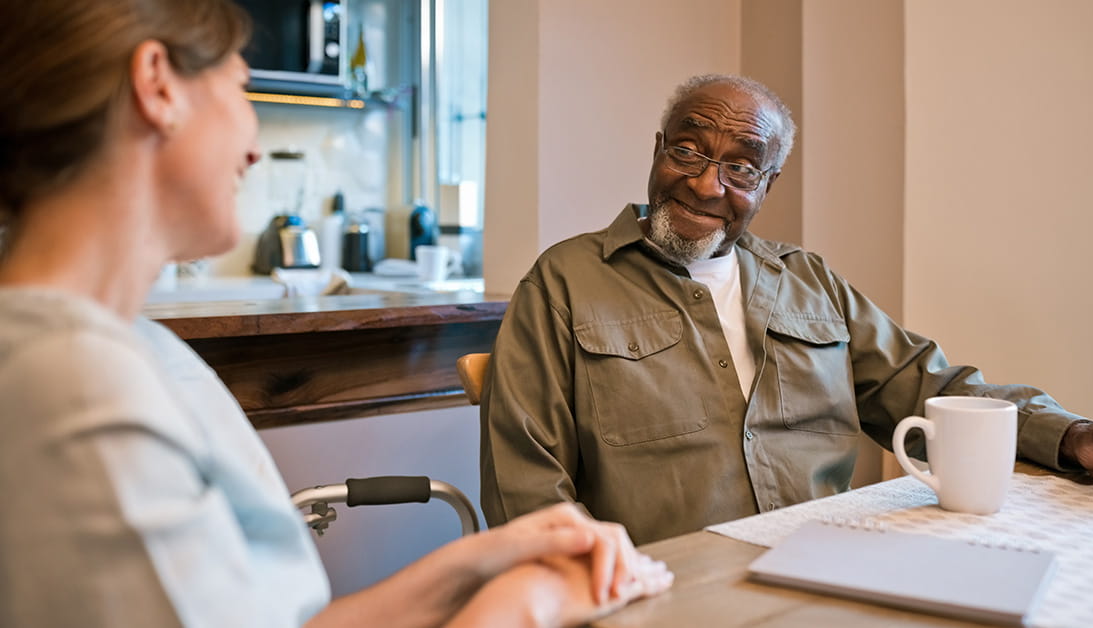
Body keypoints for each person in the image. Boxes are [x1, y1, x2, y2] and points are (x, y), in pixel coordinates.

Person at [0, 1, 672, 626]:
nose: (256, 146)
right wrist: (519, 608)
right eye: (239, 87)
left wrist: (490, 559)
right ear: (158, 85)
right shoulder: (67, 383)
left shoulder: (131, 349)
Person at [479, 73, 1093, 546]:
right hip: (664, 585)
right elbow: (525, 484)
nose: (708, 184)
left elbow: (931, 388)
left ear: (767, 184)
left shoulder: (808, 280)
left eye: (741, 168)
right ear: (657, 148)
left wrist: (1073, 437)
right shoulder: (563, 281)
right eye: (689, 151)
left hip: (831, 563)